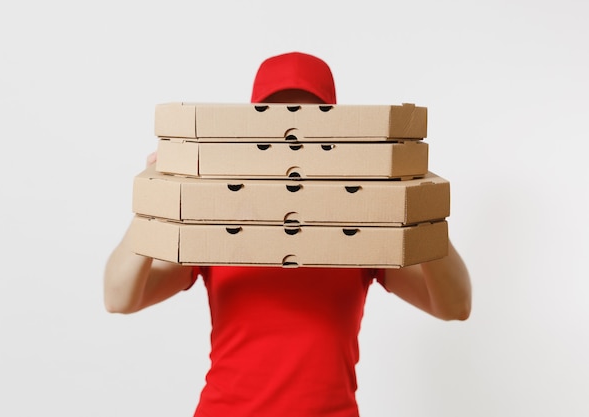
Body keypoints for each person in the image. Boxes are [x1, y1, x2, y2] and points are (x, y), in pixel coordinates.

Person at [104, 51, 472, 417]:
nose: (292, 137)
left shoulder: (361, 221)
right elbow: (119, 298)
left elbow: (454, 307)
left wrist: (422, 205)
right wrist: (157, 198)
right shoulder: (218, 215)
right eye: (276, 119)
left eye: (310, 121)